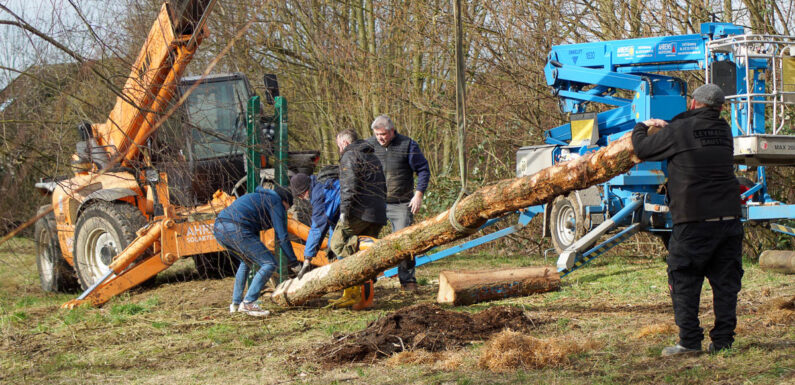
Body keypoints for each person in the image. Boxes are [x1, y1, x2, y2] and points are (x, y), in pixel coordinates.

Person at [632, 84, 743, 356]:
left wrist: (643, 125)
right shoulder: (724, 131)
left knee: (683, 279)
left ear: (693, 104)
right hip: (729, 220)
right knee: (726, 284)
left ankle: (690, 342)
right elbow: (696, 132)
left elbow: (643, 149)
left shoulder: (680, 131)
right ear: (719, 108)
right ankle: (724, 342)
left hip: (694, 220)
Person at [213, 185, 300, 317]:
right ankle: (249, 302)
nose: (286, 211)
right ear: (285, 202)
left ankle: (236, 304)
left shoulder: (259, 196)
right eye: (287, 207)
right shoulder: (276, 202)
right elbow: (282, 237)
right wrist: (294, 262)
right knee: (269, 263)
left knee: (246, 261)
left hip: (219, 227)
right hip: (236, 228)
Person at [366, 114, 430, 292]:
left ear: (392, 131)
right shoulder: (368, 146)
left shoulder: (408, 145)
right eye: (377, 134)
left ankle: (408, 281)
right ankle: (368, 279)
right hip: (375, 203)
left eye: (384, 134)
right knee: (367, 241)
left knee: (404, 242)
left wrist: (418, 195)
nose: (381, 138)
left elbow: (423, 170)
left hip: (401, 202)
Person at [329, 129, 387, 258]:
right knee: (365, 256)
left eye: (339, 146)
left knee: (337, 244)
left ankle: (371, 245)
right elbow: (383, 185)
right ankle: (369, 277)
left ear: (344, 143)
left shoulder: (349, 155)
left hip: (360, 212)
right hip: (378, 212)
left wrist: (344, 212)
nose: (339, 150)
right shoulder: (373, 156)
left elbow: (349, 187)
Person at [289, 167, 341, 278]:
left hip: (355, 214)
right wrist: (331, 242)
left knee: (342, 249)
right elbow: (332, 220)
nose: (302, 199)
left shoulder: (319, 195)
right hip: (351, 213)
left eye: (300, 195)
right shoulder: (321, 185)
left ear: (305, 190)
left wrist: (307, 258)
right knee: (337, 245)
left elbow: (317, 228)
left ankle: (355, 290)